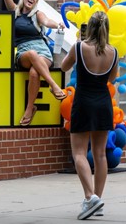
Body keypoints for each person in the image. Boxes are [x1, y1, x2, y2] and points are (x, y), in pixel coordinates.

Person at [61, 11, 118, 220]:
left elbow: (65, 66)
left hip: (83, 102)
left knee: (78, 153)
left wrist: (78, 46)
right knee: (101, 154)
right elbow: (111, 78)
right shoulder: (114, 51)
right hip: (103, 103)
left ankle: (90, 197)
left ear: (90, 27)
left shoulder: (79, 47)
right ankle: (98, 200)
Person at [1, 0, 67, 126]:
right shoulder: (15, 11)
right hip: (24, 51)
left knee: (33, 73)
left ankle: (30, 108)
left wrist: (57, 24)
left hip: (43, 52)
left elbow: (47, 21)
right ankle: (54, 85)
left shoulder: (37, 14)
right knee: (31, 55)